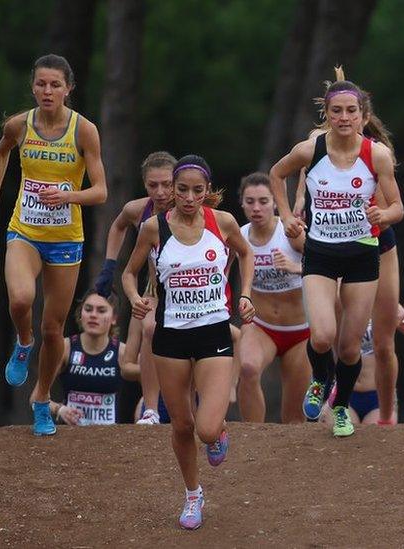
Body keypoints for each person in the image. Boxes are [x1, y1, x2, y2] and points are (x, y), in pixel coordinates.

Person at [122, 154, 256, 530]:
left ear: (207, 192)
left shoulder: (223, 222)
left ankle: (219, 435)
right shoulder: (153, 228)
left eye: (198, 191)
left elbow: (246, 255)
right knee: (181, 425)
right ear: (174, 191)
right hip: (171, 337)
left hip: (214, 332)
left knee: (207, 428)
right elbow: (129, 274)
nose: (189, 197)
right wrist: (135, 299)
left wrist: (244, 294)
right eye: (182, 190)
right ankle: (193, 494)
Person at [0, 54, 108, 436]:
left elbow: (101, 191)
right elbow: (1, 151)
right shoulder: (20, 125)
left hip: (66, 240)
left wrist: (67, 197)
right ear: (32, 87)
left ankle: (41, 398)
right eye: (40, 84)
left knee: (54, 329)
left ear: (69, 88)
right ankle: (23, 342)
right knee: (21, 300)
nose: (47, 91)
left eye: (55, 85)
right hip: (25, 231)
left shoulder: (84, 131)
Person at [270, 76, 404, 437]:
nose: (344, 117)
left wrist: (383, 215)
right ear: (327, 115)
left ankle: (340, 406)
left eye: (351, 111)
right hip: (321, 254)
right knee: (322, 337)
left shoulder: (376, 155)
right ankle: (319, 379)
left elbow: (398, 208)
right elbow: (276, 174)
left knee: (348, 348)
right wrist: (285, 217)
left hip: (362, 257)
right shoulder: (309, 150)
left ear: (362, 116)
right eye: (337, 111)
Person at [93, 151, 177, 424]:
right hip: (155, 289)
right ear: (144, 184)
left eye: (167, 184)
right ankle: (151, 409)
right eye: (153, 185)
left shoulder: (190, 209)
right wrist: (108, 265)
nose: (161, 192)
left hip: (192, 290)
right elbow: (117, 227)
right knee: (150, 329)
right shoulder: (137, 210)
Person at [235, 172, 310, 423]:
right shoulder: (239, 236)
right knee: (247, 368)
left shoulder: (290, 232)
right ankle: (252, 438)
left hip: (300, 330)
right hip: (261, 326)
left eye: (264, 201)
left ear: (276, 202)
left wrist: (295, 267)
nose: (257, 208)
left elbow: (327, 266)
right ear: (242, 203)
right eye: (250, 201)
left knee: (293, 417)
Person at [322, 309, 404, 425]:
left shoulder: (384, 303)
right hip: (344, 392)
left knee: (375, 438)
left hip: (380, 398)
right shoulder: (339, 300)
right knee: (337, 436)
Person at [46, 290, 139, 425]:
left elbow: (153, 377)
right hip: (69, 436)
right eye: (88, 309)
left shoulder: (122, 352)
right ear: (80, 314)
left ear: (114, 318)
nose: (93, 315)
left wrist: (145, 405)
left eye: (101, 311)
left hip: (109, 438)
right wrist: (59, 409)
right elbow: (37, 397)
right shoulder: (66, 347)